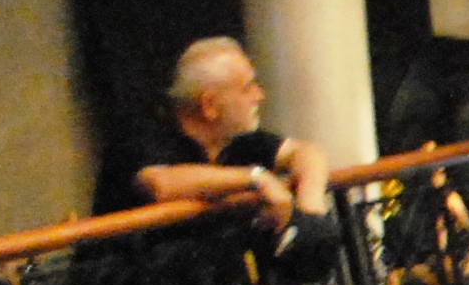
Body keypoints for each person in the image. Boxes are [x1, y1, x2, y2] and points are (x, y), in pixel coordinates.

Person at [128, 36, 331, 227]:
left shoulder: (237, 138)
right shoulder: (149, 135)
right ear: (209, 105)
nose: (259, 96)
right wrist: (256, 178)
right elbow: (161, 184)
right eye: (246, 88)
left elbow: (305, 152)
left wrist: (310, 208)